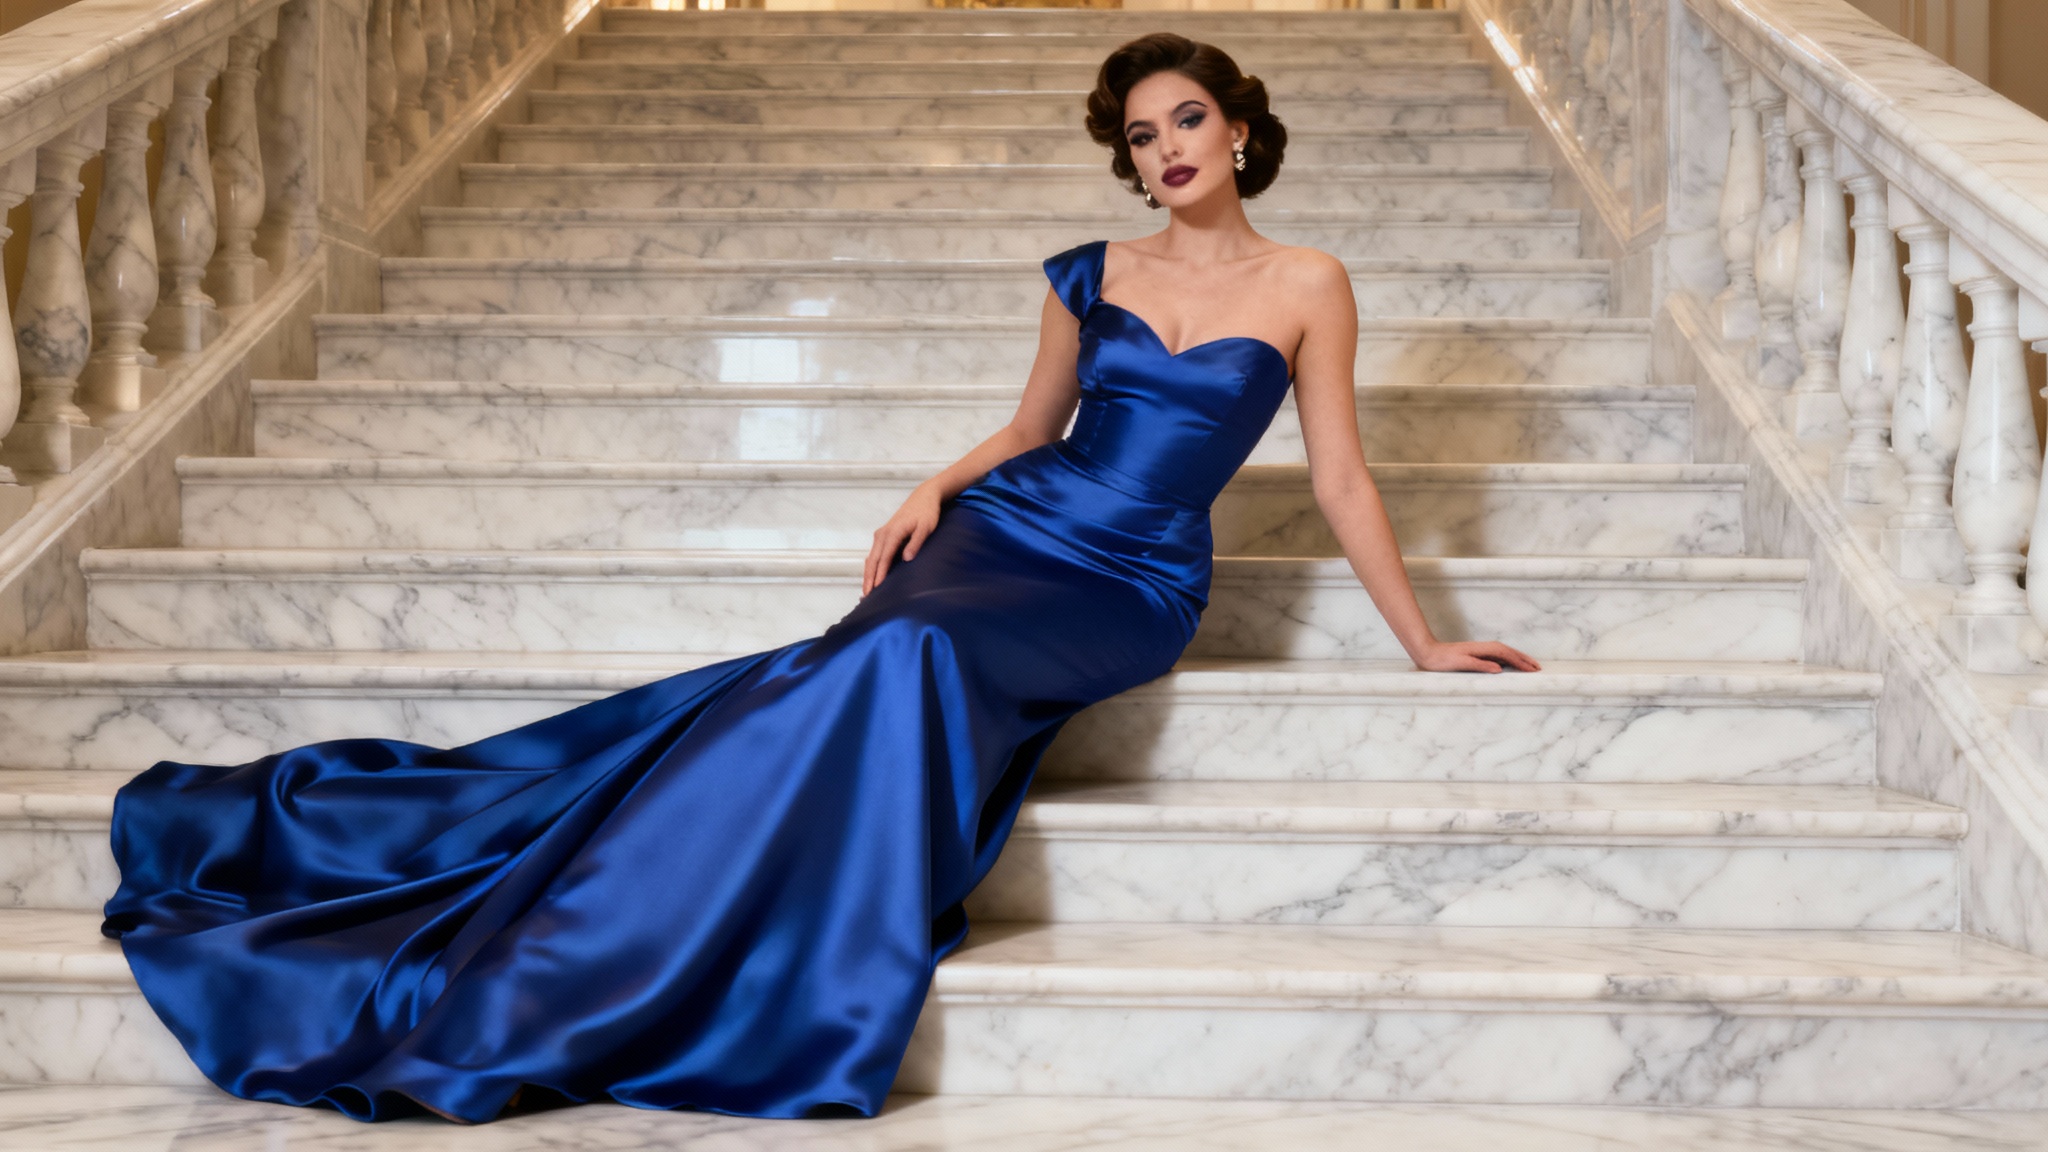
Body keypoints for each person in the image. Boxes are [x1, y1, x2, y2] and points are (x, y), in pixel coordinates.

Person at [100, 32, 1539, 1126]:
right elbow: (1033, 431)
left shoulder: (1308, 285)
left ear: (1240, 130)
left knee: (901, 664)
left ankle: (715, 951)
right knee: (874, 657)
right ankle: (606, 916)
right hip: (1013, 524)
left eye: (1189, 121)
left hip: (1134, 578)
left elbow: (1343, 476)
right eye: (1143, 132)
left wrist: (1426, 642)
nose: (1167, 148)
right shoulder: (1088, 271)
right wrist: (936, 485)